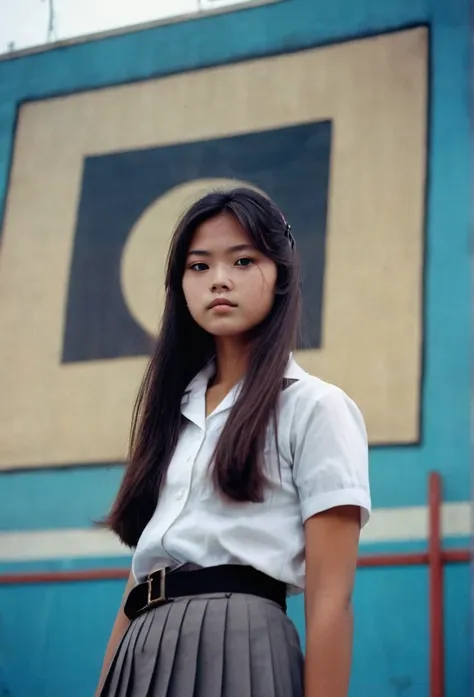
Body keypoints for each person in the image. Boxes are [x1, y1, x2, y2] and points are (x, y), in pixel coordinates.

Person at [95, 187, 371, 697]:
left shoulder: (315, 407)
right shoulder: (170, 413)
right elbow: (145, 575)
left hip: (241, 644)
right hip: (141, 644)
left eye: (243, 260)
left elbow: (332, 599)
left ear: (280, 274)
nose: (219, 279)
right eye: (199, 266)